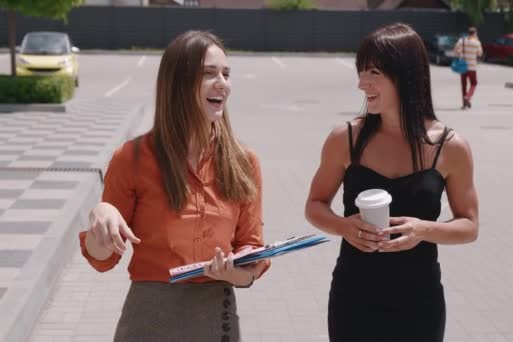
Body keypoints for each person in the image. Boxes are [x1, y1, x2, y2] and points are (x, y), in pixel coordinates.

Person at [79, 30, 269, 341]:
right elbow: (103, 258)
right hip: (148, 319)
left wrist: (235, 271)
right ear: (178, 83)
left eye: (226, 73)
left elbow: (251, 248)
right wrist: (101, 217)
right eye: (209, 73)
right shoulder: (133, 158)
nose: (222, 82)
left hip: (216, 316)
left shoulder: (245, 161)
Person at [305, 23, 479, 341]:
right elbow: (314, 206)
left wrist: (423, 230)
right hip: (353, 299)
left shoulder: (450, 147)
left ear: (406, 75)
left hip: (419, 303)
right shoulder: (345, 139)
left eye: (373, 72)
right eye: (361, 71)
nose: (361, 83)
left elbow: (469, 225)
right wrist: (344, 226)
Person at [454, 27, 483, 109]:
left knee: (464, 85)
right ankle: (468, 96)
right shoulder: (477, 42)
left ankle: (464, 104)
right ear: (474, 33)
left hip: (463, 66)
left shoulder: (461, 40)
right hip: (472, 67)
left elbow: (455, 50)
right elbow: (480, 54)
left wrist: (460, 54)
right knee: (474, 83)